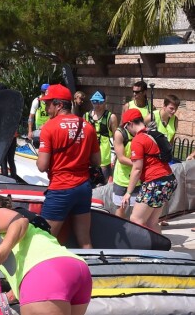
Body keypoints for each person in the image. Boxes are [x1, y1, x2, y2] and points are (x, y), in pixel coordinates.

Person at [36, 84, 101, 248]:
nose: (46, 107)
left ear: (58, 105)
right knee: (85, 241)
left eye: (48, 103)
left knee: (43, 240)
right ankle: (90, 271)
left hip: (60, 188)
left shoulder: (49, 128)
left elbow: (42, 166)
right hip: (83, 188)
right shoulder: (87, 126)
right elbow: (96, 161)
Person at [120, 109, 177, 233]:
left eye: (126, 126)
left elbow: (137, 168)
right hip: (168, 181)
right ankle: (160, 250)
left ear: (130, 123)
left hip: (155, 182)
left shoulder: (138, 140)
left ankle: (143, 250)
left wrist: (128, 193)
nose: (126, 130)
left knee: (136, 219)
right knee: (151, 222)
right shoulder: (152, 133)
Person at [84, 90, 117, 182]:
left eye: (100, 102)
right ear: (91, 102)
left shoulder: (111, 117)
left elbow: (116, 137)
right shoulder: (86, 116)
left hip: (104, 157)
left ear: (104, 102)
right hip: (89, 155)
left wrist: (117, 155)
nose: (97, 104)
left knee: (105, 182)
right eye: (94, 102)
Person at [112, 122, 139, 218]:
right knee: (121, 207)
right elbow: (121, 158)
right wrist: (138, 164)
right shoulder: (120, 133)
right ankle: (119, 230)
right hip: (122, 178)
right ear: (129, 124)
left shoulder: (142, 133)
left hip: (137, 178)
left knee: (137, 209)